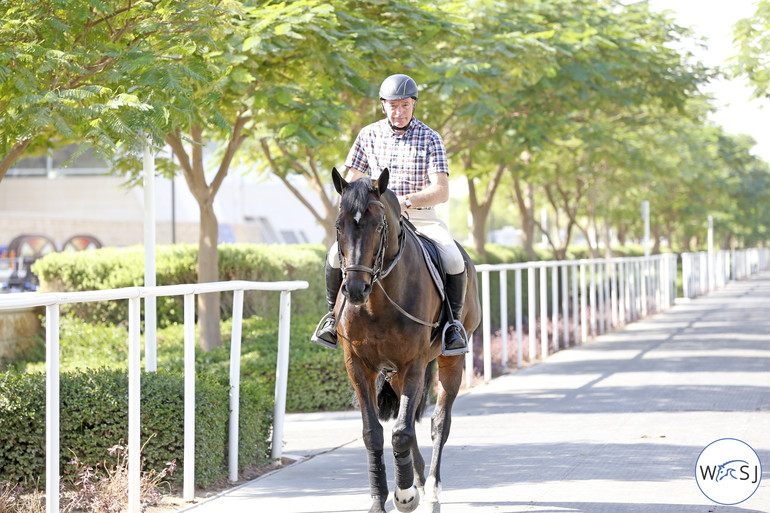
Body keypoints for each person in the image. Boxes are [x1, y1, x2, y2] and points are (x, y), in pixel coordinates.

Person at [312, 73, 468, 355]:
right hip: (374, 220)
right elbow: (351, 182)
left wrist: (405, 202)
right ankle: (331, 321)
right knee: (336, 255)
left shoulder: (431, 138)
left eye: (405, 105)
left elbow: (441, 190)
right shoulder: (367, 135)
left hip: (419, 216)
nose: (398, 112)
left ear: (414, 105)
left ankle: (453, 327)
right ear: (383, 105)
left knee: (453, 258)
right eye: (393, 106)